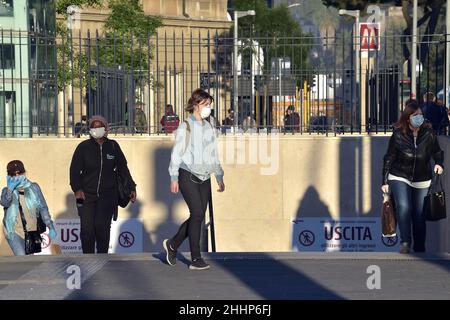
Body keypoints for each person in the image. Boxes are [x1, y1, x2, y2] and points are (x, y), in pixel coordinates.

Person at [164, 89, 225, 270]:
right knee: (197, 213)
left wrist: (219, 175)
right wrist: (174, 177)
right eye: (206, 104)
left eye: (210, 105)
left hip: (205, 176)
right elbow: (177, 153)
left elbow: (213, 154)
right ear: (196, 104)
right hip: (187, 174)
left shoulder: (209, 127)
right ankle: (196, 258)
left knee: (198, 216)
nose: (208, 108)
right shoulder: (186, 127)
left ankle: (173, 244)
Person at [382, 99, 444, 254]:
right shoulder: (398, 134)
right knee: (404, 207)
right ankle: (405, 242)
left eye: (421, 115)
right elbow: (389, 157)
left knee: (419, 214)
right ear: (408, 117)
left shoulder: (429, 133)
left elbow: (437, 152)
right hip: (399, 175)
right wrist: (384, 180)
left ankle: (419, 247)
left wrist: (439, 163)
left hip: (422, 177)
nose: (419, 118)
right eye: (416, 115)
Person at [69, 115, 137, 254]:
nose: (96, 129)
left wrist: (131, 187)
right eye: (93, 126)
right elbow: (74, 170)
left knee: (102, 227)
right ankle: (87, 257)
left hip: (108, 195)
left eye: (99, 126)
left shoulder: (113, 146)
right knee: (87, 229)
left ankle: (102, 258)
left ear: (106, 129)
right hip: (86, 194)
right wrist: (77, 189)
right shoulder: (83, 147)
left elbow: (123, 168)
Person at [1, 160, 57, 255]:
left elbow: (43, 208)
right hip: (13, 231)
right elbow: (5, 203)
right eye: (13, 174)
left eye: (19, 173)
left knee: (29, 261)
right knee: (21, 257)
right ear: (9, 176)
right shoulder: (6, 191)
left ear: (24, 173)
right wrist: (10, 190)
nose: (17, 176)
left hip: (32, 232)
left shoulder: (34, 187)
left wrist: (50, 226)